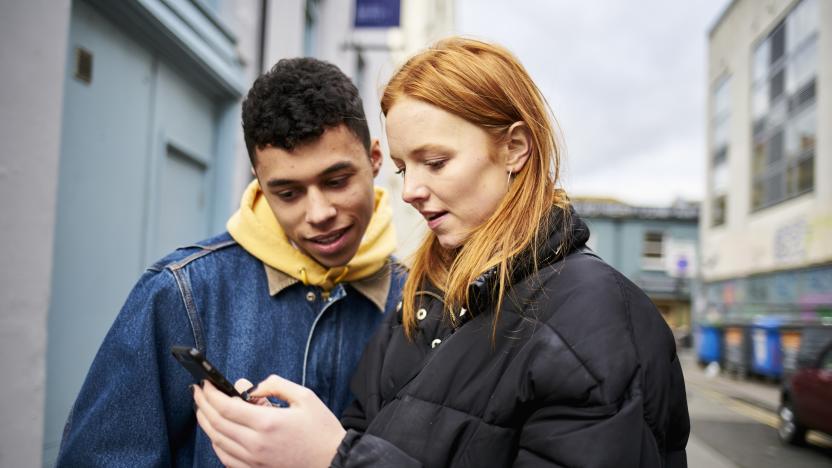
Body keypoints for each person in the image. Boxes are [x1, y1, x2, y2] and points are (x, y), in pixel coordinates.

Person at [193, 37, 690, 468]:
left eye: (435, 161)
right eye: (405, 168)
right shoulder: (423, 295)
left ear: (515, 148)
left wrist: (333, 457)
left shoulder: (597, 314)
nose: (410, 191)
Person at [57, 57, 405, 467]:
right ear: (259, 183)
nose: (319, 212)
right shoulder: (182, 292)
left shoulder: (420, 298)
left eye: (336, 180)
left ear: (375, 159)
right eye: (288, 193)